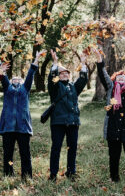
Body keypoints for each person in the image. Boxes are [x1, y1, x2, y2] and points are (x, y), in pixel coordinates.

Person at [93, 47, 125, 182]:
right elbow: (102, 74)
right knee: (114, 155)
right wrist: (99, 60)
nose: (121, 76)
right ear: (114, 79)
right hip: (113, 124)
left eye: (124, 75)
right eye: (118, 75)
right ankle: (114, 178)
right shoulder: (110, 87)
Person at [0, 50, 46, 179]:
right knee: (8, 154)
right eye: (14, 78)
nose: (16, 80)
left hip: (23, 127)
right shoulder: (7, 88)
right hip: (8, 127)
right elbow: (2, 75)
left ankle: (27, 176)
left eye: (19, 78)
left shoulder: (25, 89)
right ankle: (8, 174)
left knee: (25, 153)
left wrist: (36, 58)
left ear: (22, 81)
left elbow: (31, 73)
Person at [47, 49, 88, 181]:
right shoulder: (54, 87)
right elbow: (51, 78)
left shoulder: (74, 87)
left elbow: (83, 79)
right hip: (58, 122)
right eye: (61, 73)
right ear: (58, 75)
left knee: (72, 148)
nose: (64, 74)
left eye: (66, 73)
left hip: (73, 122)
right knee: (56, 148)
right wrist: (55, 62)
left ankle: (71, 172)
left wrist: (83, 63)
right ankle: (53, 174)